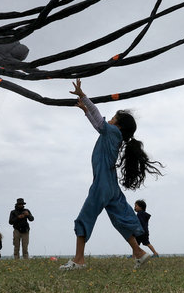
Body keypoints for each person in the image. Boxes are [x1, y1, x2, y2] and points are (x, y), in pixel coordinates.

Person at [60, 79, 164, 270]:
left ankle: (79, 260)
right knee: (120, 219)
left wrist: (83, 96)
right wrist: (85, 112)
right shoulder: (113, 135)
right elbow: (98, 125)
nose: (109, 119)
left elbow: (99, 119)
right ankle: (139, 253)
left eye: (113, 118)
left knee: (85, 217)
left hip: (102, 183)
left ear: (119, 126)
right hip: (111, 185)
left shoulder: (113, 133)